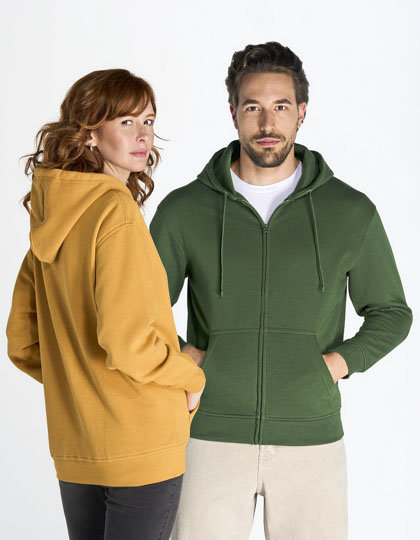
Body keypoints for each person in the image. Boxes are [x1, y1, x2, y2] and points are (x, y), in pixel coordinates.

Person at [149, 42, 413, 539]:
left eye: (281, 107)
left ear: (302, 113)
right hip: (208, 435)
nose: (267, 122)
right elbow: (140, 309)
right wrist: (185, 356)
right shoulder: (185, 210)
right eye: (253, 107)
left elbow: (391, 312)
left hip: (312, 440)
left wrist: (336, 364)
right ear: (233, 112)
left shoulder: (349, 211)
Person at [6, 68, 205, 540]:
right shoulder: (115, 211)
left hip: (77, 444)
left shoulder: (51, 217)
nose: (143, 135)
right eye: (125, 122)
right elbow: (128, 342)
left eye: (148, 121)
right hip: (142, 443)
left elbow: (22, 342)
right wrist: (190, 375)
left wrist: (79, 385)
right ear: (90, 133)